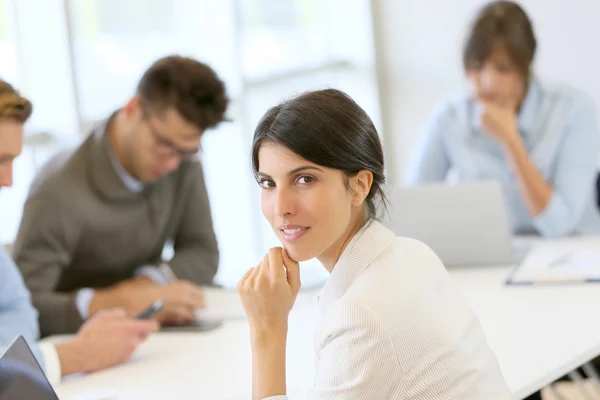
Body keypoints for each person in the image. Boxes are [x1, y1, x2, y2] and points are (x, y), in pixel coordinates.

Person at [237, 88, 511, 399]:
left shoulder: (361, 317)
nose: (280, 207)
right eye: (268, 183)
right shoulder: (412, 253)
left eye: (305, 179)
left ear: (359, 186)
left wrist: (266, 330)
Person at [12, 55, 229, 337]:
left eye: (185, 150)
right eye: (164, 144)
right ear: (132, 108)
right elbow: (20, 308)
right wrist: (114, 303)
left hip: (152, 333)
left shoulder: (183, 161)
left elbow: (203, 251)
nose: (172, 163)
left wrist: (148, 283)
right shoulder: (57, 192)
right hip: (82, 345)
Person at [0, 79, 158, 386]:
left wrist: (7, 358)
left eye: (11, 161)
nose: (7, 180)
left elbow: (17, 307)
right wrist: (73, 355)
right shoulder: (58, 188)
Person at [405, 0, 600, 238]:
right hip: (491, 259)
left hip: (570, 255)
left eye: (503, 68)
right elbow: (413, 213)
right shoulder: (449, 117)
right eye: (477, 67)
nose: (488, 81)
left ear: (525, 69)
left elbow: (558, 224)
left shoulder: (573, 109)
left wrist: (510, 141)